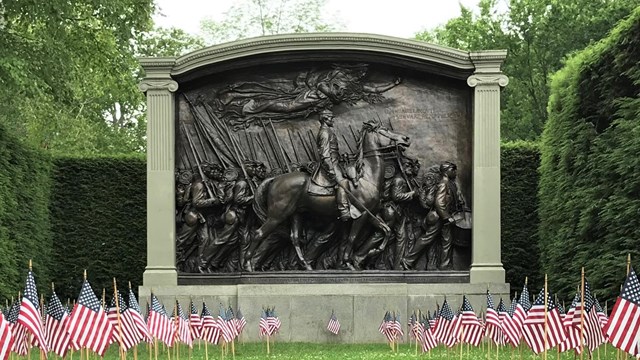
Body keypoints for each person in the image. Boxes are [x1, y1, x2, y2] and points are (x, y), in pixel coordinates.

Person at [403, 161, 466, 270]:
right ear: (447, 171)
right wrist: (447, 217)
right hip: (439, 218)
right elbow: (439, 202)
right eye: (453, 170)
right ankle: (407, 260)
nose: (455, 172)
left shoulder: (451, 184)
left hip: (445, 218)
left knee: (447, 241)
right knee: (427, 238)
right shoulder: (443, 184)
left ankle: (445, 266)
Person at [310, 109, 351, 221]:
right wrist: (331, 169)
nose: (332, 120)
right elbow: (325, 154)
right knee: (343, 181)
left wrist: (341, 157)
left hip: (336, 161)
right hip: (330, 164)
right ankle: (344, 210)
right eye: (331, 117)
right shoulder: (324, 132)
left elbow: (333, 151)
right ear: (325, 119)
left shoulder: (328, 131)